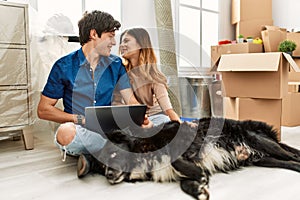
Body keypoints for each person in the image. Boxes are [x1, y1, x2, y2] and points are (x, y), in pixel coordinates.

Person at [37, 11, 152, 178]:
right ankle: (119, 152)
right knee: (65, 132)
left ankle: (95, 158)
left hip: (109, 128)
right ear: (93, 34)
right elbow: (43, 110)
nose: (114, 42)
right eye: (110, 36)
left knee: (160, 121)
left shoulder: (116, 64)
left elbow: (130, 99)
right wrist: (78, 119)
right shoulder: (63, 66)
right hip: (80, 130)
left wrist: (139, 117)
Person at [118, 27, 181, 126]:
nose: (121, 45)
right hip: (132, 119)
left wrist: (183, 129)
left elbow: (168, 110)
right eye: (121, 42)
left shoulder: (153, 76)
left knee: (164, 120)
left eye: (126, 41)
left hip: (154, 117)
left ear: (140, 44)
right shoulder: (120, 72)